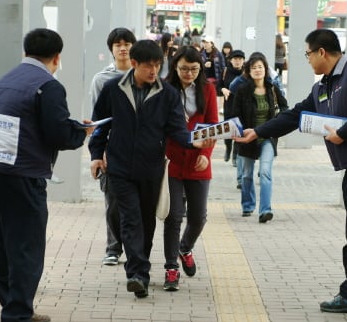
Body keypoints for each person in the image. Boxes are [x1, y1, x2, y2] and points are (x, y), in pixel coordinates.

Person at [234, 28, 347, 322]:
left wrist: (344, 132)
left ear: (322, 52)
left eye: (307, 54)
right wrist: (259, 132)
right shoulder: (323, 87)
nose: (308, 60)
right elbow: (295, 115)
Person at [0, 28, 95, 322]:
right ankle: (18, 314)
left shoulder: (6, 80)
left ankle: (13, 306)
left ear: (25, 52)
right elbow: (57, 133)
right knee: (26, 247)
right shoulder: (48, 85)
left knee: (1, 243)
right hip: (23, 176)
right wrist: (81, 133)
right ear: (57, 57)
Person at [88, 39, 215, 299]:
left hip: (151, 168)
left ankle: (140, 268)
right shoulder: (113, 89)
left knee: (146, 221)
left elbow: (177, 131)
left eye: (158, 65)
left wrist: (194, 143)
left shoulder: (167, 95)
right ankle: (138, 274)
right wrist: (95, 155)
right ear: (134, 64)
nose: (154, 71)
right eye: (149, 66)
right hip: (120, 167)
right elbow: (100, 125)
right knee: (130, 219)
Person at [163, 46, 218, 291]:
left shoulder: (207, 89)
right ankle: (170, 268)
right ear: (175, 66)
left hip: (198, 161)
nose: (189, 73)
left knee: (198, 218)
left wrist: (206, 154)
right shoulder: (165, 89)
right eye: (184, 68)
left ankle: (185, 247)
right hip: (172, 161)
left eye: (194, 69)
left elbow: (214, 125)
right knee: (173, 216)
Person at [89, 27, 136, 266]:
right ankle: (113, 248)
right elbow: (98, 119)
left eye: (127, 43)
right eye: (118, 44)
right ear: (111, 49)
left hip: (139, 150)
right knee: (113, 202)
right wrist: (99, 152)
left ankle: (136, 249)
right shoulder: (102, 79)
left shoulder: (144, 77)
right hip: (111, 149)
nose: (123, 48)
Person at [232, 52, 288, 222]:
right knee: (247, 175)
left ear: (266, 69)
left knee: (265, 172)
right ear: (249, 71)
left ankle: (265, 210)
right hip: (247, 138)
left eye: (260, 67)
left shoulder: (272, 89)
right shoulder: (242, 90)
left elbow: (285, 109)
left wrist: (277, 124)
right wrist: (238, 131)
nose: (257, 70)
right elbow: (234, 114)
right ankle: (248, 205)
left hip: (268, 138)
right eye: (254, 67)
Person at [220, 49, 245, 166]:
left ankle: (235, 155)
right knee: (227, 130)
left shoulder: (246, 72)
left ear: (243, 61)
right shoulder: (226, 71)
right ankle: (228, 148)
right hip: (229, 105)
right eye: (235, 59)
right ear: (231, 60)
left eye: (240, 59)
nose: (237, 61)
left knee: (239, 131)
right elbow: (218, 85)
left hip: (242, 107)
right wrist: (223, 89)